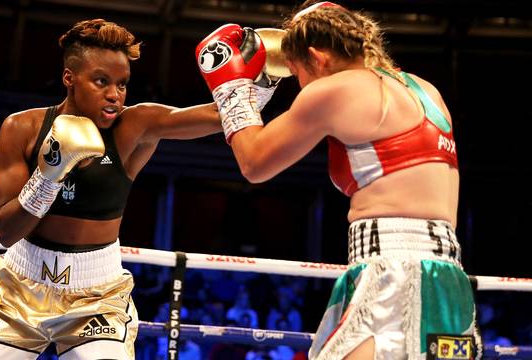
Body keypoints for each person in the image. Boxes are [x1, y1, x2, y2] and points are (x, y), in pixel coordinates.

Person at [195, 2, 480, 359]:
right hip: (445, 275)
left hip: (395, 273)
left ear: (317, 57)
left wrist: (233, 92)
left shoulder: (336, 90)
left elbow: (255, 162)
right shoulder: (424, 90)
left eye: (297, 74)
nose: (300, 86)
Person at [0, 18, 220, 360]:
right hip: (18, 289)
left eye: (122, 85)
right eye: (101, 82)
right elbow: (6, 232)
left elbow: (218, 116)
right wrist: (48, 177)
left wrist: (261, 79)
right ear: (69, 78)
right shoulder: (21, 128)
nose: (114, 95)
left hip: (97, 296)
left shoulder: (133, 127)